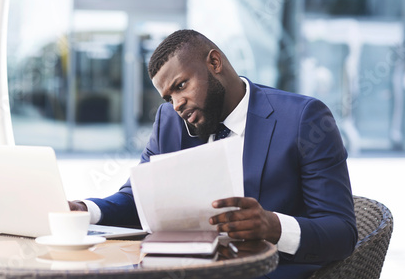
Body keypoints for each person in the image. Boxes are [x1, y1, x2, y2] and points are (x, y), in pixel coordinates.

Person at [70, 29, 357, 278]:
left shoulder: (304, 119)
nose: (177, 104)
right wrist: (86, 210)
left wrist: (272, 225)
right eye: (168, 97)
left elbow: (341, 232)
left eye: (181, 86)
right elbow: (140, 199)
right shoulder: (170, 121)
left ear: (215, 62)